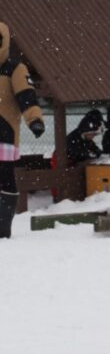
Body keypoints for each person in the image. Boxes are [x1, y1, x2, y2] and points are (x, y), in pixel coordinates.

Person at [0, 21, 45, 239]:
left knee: (5, 177)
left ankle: (2, 227)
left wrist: (34, 119)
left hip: (4, 133)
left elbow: (27, 96)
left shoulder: (15, 69)